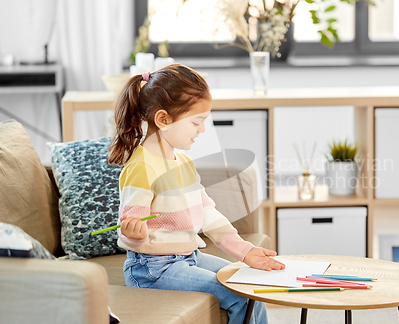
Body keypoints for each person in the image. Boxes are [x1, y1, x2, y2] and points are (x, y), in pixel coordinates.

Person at [108, 64, 285, 324]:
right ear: (163, 120)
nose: (202, 129)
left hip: (190, 258)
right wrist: (134, 234)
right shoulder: (142, 168)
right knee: (238, 294)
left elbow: (207, 213)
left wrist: (245, 252)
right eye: (196, 122)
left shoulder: (183, 162)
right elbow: (133, 227)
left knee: (248, 286)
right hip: (152, 269)